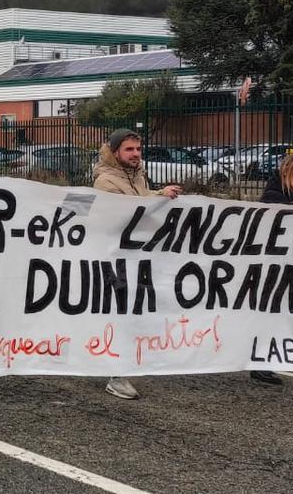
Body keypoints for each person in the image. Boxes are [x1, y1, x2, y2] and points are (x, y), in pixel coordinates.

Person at [92, 128, 182, 400]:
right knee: (118, 314)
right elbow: (126, 211)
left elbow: (140, 200)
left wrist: (158, 193)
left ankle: (122, 363)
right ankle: (116, 374)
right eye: (129, 150)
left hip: (135, 258)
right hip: (114, 258)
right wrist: (157, 198)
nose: (135, 154)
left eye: (138, 149)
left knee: (132, 313)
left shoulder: (136, 175)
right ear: (115, 151)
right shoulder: (105, 181)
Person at [251, 153, 293, 385]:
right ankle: (260, 363)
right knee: (270, 315)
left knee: (284, 314)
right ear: (287, 171)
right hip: (274, 267)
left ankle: (269, 359)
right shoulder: (273, 197)